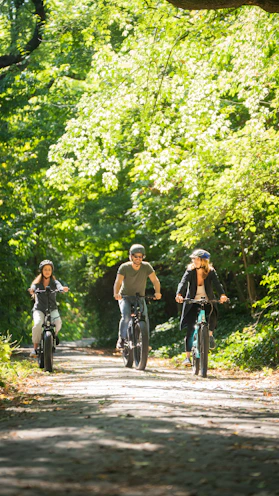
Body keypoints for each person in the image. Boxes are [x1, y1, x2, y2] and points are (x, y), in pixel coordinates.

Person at [175, 249, 228, 366]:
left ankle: (209, 335)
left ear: (203, 261)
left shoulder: (211, 271)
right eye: (193, 258)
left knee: (212, 313)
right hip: (193, 300)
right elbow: (183, 282)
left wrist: (222, 295)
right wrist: (179, 294)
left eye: (196, 259)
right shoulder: (190, 270)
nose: (193, 260)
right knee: (190, 328)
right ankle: (188, 357)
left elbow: (217, 284)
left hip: (207, 299)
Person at [113, 244, 162, 349]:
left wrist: (157, 292)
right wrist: (116, 293)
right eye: (136, 256)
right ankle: (121, 339)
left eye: (141, 256)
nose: (138, 259)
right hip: (124, 297)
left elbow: (155, 280)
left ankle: (145, 343)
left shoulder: (146, 266)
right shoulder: (124, 267)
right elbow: (118, 282)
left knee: (144, 316)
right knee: (126, 316)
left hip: (139, 297)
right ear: (131, 256)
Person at [28, 260, 69, 357]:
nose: (47, 271)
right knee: (37, 324)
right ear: (42, 271)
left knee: (58, 322)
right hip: (39, 309)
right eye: (45, 269)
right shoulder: (37, 283)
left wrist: (62, 289)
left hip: (52, 309)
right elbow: (33, 287)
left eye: (49, 270)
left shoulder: (54, 282)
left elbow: (59, 286)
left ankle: (53, 336)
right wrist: (32, 290)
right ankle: (35, 349)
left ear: (51, 271)